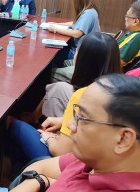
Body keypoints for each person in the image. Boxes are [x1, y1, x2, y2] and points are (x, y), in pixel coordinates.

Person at [0, 74, 140, 191]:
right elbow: (42, 165)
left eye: (83, 119)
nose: (71, 126)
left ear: (124, 139)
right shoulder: (102, 158)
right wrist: (39, 180)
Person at [9, 33, 122, 172]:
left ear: (83, 60)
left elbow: (61, 152)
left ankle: (24, 176)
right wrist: (62, 120)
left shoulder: (82, 96)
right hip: (94, 163)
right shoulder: (118, 91)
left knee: (15, 126)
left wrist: (49, 138)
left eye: (76, 51)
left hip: (71, 166)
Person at [51, 0, 140, 83]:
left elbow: (115, 62)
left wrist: (88, 60)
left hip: (99, 73)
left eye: (127, 16)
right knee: (61, 61)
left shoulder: (137, 38)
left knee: (51, 73)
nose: (125, 19)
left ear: (136, 21)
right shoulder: (134, 35)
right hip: (98, 66)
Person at [49, 0, 100, 67]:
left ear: (80, 3)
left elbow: (77, 34)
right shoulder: (91, 10)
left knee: (53, 55)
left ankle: (53, 74)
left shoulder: (88, 13)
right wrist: (57, 24)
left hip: (79, 52)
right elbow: (75, 23)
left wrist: (55, 29)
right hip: (82, 49)